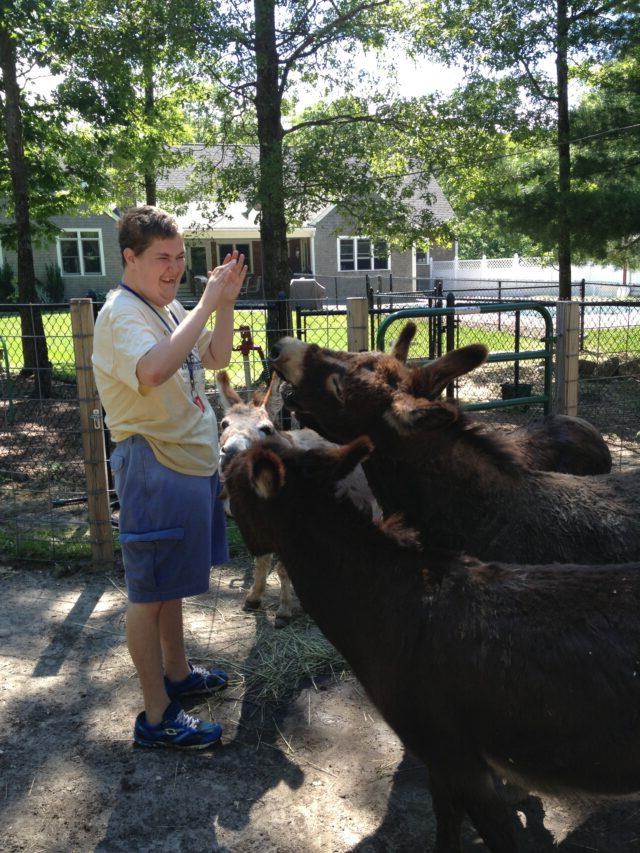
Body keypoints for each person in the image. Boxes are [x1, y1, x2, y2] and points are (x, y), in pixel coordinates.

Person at [92, 205, 247, 749]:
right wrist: (205, 302)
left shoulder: (167, 305)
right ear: (130, 257)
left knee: (171, 585)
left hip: (186, 459)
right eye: (162, 258)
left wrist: (221, 304)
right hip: (152, 464)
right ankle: (156, 716)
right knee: (148, 592)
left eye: (180, 258)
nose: (175, 268)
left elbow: (217, 354)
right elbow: (153, 371)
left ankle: (177, 675)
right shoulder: (121, 315)